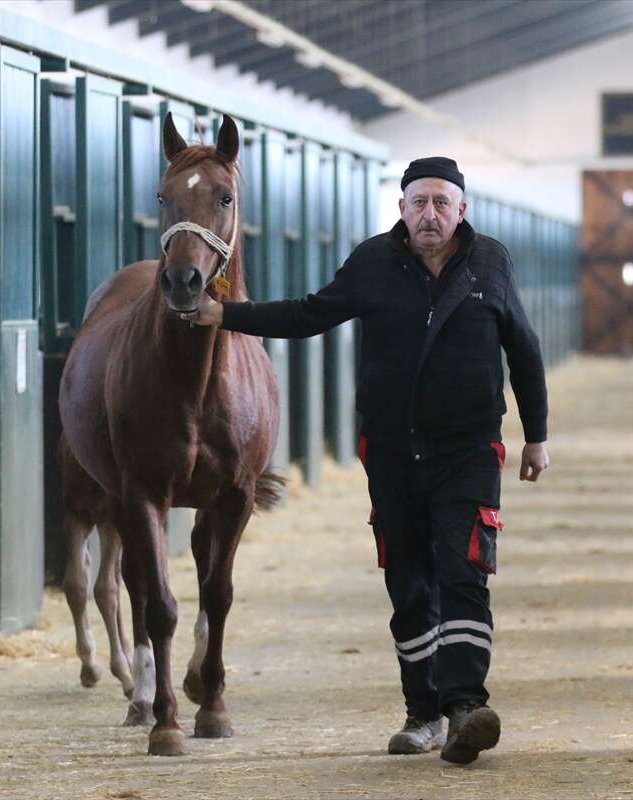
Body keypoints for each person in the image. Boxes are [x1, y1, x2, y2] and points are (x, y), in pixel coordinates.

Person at [182, 156, 549, 764]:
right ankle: (422, 712)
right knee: (407, 583)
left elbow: (524, 347)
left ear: (462, 209)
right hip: (392, 451)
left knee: (463, 570)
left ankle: (465, 708)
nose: (430, 214)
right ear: (401, 209)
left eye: (441, 202)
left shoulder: (491, 263)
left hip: (468, 449)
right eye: (418, 202)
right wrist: (228, 315)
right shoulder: (373, 263)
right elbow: (307, 315)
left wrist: (536, 434)